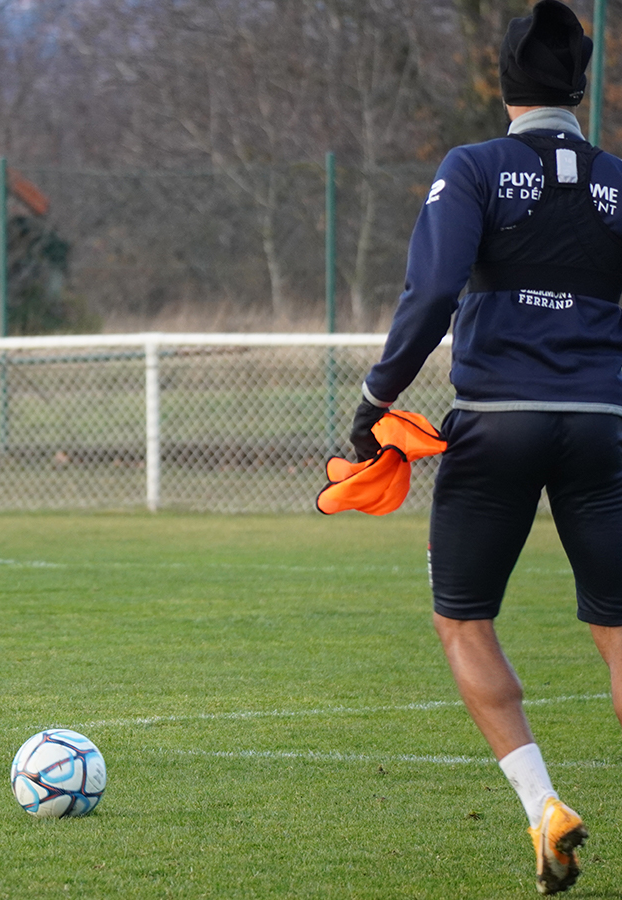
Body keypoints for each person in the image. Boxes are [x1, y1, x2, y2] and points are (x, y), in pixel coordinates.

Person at [349, 2, 622, 893]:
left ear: (504, 84)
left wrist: (376, 396)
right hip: (603, 427)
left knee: (464, 618)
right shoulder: (618, 180)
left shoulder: (475, 167)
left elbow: (430, 294)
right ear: (582, 85)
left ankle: (544, 806)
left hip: (496, 423)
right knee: (619, 632)